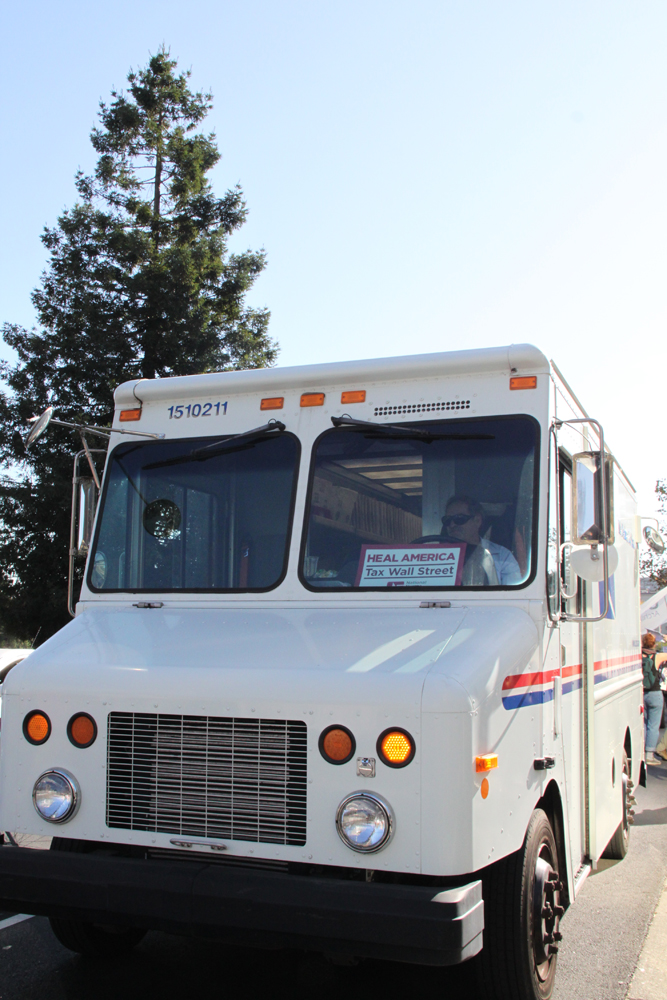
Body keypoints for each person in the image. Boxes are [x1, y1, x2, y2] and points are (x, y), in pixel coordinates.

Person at [441, 495, 522, 586]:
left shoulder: (502, 556)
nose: (452, 525)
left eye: (459, 519)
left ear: (477, 520)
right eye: (447, 520)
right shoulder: (435, 555)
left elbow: (512, 596)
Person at [642, 632, 664, 766]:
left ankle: (641, 754)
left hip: (641, 692)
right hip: (655, 693)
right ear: (654, 643)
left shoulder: (638, 655)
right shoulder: (657, 656)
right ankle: (649, 754)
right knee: (653, 726)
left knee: (643, 724)